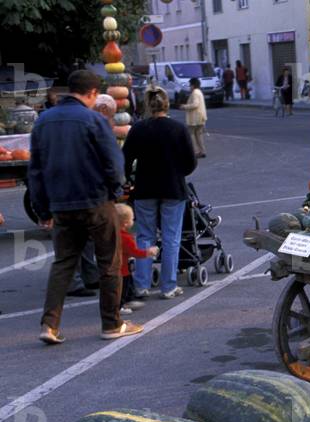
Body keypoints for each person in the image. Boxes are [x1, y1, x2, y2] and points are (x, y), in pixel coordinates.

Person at [29, 69, 141, 343]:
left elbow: (35, 170)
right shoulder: (93, 119)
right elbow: (113, 162)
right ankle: (112, 324)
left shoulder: (43, 121)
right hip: (95, 201)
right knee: (109, 262)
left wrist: (43, 210)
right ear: (92, 93)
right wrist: (116, 191)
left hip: (61, 204)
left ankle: (49, 325)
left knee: (64, 263)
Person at [122, 87, 197, 302]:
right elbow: (190, 162)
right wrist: (178, 173)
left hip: (145, 189)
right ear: (167, 105)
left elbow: (125, 159)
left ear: (148, 105)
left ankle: (142, 285)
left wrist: (129, 180)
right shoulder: (178, 128)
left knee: (145, 235)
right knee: (171, 237)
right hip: (173, 188)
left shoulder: (138, 129)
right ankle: (168, 286)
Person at [115, 203, 158, 315]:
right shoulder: (126, 238)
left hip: (115, 266)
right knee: (123, 288)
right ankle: (120, 306)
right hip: (123, 269)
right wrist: (148, 252)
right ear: (126, 223)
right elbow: (135, 253)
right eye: (132, 219)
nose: (133, 221)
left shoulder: (112, 234)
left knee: (124, 286)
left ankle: (127, 301)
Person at [179, 78, 208, 158]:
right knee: (199, 135)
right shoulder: (199, 92)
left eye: (190, 85)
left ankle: (196, 151)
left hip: (195, 118)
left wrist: (184, 106)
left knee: (191, 134)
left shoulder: (195, 93)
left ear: (193, 85)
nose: (189, 86)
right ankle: (202, 151)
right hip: (200, 117)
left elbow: (195, 104)